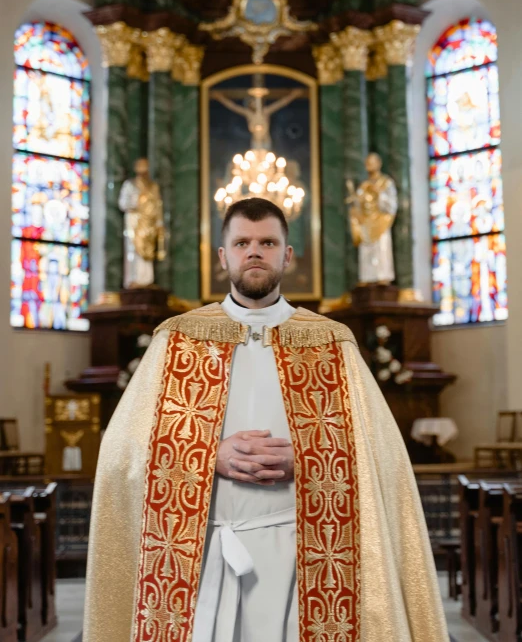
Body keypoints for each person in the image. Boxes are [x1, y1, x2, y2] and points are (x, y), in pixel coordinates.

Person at [84, 197, 449, 642]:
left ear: (287, 255)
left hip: (307, 555)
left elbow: (380, 456)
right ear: (223, 257)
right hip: (201, 556)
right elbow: (122, 451)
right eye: (241, 242)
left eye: (267, 242)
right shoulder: (177, 340)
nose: (254, 251)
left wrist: (311, 458)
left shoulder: (332, 343)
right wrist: (208, 454)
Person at [347, 151, 398, 284]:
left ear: (379, 164)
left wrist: (379, 193)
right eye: (367, 163)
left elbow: (391, 204)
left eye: (372, 162)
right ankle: (367, 278)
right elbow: (358, 203)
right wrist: (355, 209)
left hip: (381, 221)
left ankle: (383, 277)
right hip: (366, 222)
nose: (369, 165)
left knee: (382, 248)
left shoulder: (386, 183)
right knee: (366, 252)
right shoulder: (363, 186)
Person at [118, 158, 166, 288]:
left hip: (149, 223)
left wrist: (159, 223)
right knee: (134, 249)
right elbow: (122, 203)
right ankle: (133, 279)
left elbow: (158, 205)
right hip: (134, 221)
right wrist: (137, 201)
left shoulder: (153, 186)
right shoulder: (130, 185)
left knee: (148, 252)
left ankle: (147, 280)